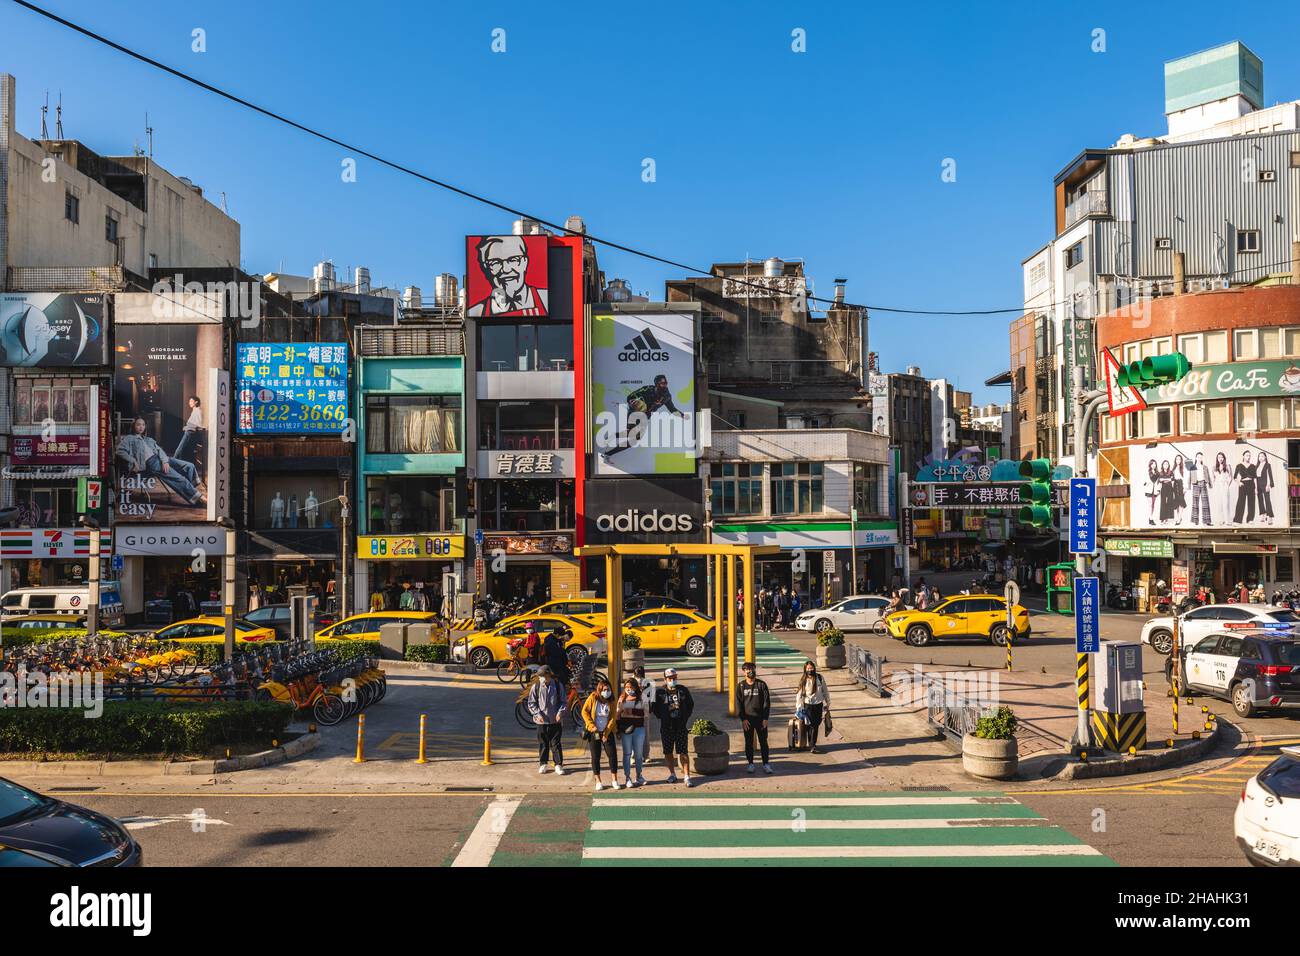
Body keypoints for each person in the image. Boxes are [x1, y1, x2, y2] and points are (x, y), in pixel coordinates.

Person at [116, 417, 205, 507]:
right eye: (138, 424)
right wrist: (133, 461)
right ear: (133, 426)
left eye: (143, 425)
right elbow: (119, 451)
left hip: (162, 459)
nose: (141, 427)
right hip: (151, 463)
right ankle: (198, 497)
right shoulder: (129, 438)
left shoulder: (148, 439)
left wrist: (164, 461)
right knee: (178, 478)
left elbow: (160, 450)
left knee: (189, 466)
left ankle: (191, 491)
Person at [467, 235, 549, 317]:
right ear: (486, 268)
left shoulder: (546, 298)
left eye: (513, 260)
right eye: (495, 262)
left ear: (525, 262)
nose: (506, 269)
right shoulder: (476, 312)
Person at [652, 667, 694, 786]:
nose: (672, 680)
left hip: (680, 726)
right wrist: (663, 716)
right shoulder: (660, 692)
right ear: (665, 679)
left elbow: (690, 705)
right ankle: (672, 774)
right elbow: (654, 708)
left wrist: (685, 717)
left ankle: (687, 776)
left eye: (674, 678)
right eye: (670, 678)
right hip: (666, 727)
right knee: (668, 752)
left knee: (683, 752)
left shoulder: (683, 690)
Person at [581, 677, 619, 791]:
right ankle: (598, 781)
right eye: (604, 689)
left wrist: (606, 732)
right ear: (599, 690)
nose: (606, 692)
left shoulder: (612, 700)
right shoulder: (593, 697)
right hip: (594, 732)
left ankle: (614, 780)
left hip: (607, 731)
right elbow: (584, 711)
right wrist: (592, 726)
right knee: (595, 756)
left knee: (612, 754)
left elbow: (613, 717)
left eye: (608, 689)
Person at [528, 666, 566, 775]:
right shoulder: (536, 687)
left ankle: (558, 765)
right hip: (541, 721)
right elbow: (531, 703)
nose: (541, 679)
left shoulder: (558, 686)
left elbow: (563, 702)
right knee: (543, 743)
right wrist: (537, 714)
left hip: (555, 721)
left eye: (543, 676)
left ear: (549, 676)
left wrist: (560, 713)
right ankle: (543, 763)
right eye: (540, 677)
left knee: (556, 743)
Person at [737, 661, 773, 774]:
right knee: (748, 742)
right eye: (748, 670)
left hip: (761, 719)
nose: (750, 671)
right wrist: (743, 719)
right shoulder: (741, 686)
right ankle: (750, 764)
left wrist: (765, 718)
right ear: (744, 672)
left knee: (763, 742)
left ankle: (766, 764)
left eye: (752, 669)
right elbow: (739, 704)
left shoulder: (761, 685)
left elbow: (767, 703)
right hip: (748, 720)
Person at [794, 660, 832, 754]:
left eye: (811, 668)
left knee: (816, 725)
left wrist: (828, 702)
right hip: (807, 706)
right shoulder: (803, 680)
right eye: (808, 668)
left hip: (818, 705)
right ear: (805, 669)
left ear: (814, 668)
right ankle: (811, 744)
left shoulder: (819, 677)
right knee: (809, 725)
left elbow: (825, 690)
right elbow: (799, 694)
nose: (810, 670)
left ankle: (812, 744)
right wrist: (799, 707)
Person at [616, 674, 647, 788]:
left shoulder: (642, 697)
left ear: (635, 687)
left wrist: (632, 711)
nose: (629, 689)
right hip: (626, 729)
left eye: (631, 687)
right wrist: (618, 730)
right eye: (626, 687)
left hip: (639, 728)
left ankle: (639, 776)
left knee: (638, 754)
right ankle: (627, 777)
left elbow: (647, 713)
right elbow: (618, 715)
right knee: (627, 754)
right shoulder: (622, 698)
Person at [173, 395, 204, 465]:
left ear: (196, 402)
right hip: (188, 432)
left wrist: (187, 427)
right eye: (189, 401)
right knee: (181, 450)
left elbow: (197, 424)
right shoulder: (194, 411)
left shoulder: (197, 411)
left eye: (191, 401)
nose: (189, 403)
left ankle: (172, 463)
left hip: (190, 433)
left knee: (179, 449)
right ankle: (177, 464)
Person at [542, 626, 570, 691]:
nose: (561, 637)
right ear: (557, 634)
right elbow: (557, 653)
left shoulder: (554, 640)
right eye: (561, 635)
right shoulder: (551, 641)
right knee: (562, 677)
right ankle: (560, 692)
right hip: (553, 664)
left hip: (556, 662)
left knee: (566, 674)